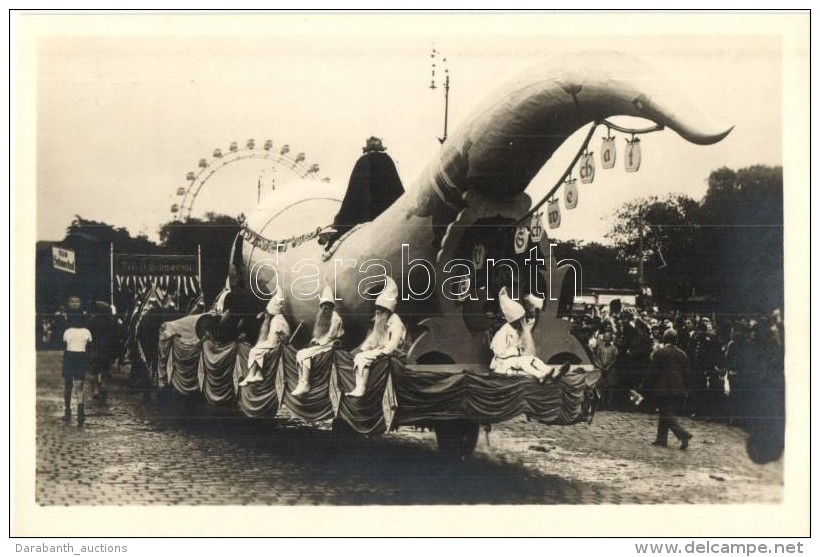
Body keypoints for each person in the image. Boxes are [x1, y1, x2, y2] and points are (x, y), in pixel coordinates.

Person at [326, 136, 405, 248]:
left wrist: (342, 219)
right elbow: (396, 186)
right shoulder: (386, 159)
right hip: (388, 211)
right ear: (381, 146)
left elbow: (354, 192)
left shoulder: (363, 161)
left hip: (363, 215)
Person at [489, 289, 569, 382]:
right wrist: (516, 351)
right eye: (520, 319)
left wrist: (520, 350)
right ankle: (540, 375)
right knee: (523, 362)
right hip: (501, 363)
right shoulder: (502, 332)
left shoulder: (516, 330)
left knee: (533, 359)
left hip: (513, 359)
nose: (522, 321)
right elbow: (499, 352)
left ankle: (552, 372)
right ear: (514, 319)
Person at [346, 277, 407, 398]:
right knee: (359, 355)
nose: (377, 313)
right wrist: (363, 349)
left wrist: (378, 353)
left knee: (362, 357)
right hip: (381, 350)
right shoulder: (380, 321)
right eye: (377, 309)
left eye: (380, 310)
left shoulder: (396, 323)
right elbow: (373, 339)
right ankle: (358, 387)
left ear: (387, 311)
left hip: (394, 353)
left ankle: (361, 388)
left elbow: (392, 345)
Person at [291, 284, 345, 397]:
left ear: (331, 306)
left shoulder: (335, 317)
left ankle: (305, 383)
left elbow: (331, 335)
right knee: (300, 353)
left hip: (331, 343)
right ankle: (301, 381)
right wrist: (315, 340)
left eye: (327, 306)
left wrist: (319, 343)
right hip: (324, 343)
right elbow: (321, 334)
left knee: (306, 354)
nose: (324, 309)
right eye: (323, 306)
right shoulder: (322, 317)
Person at [643, 329, 693, 450]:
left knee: (666, 413)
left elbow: (652, 372)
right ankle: (661, 439)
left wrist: (645, 386)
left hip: (663, 388)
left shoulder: (660, 353)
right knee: (665, 412)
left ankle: (683, 435)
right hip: (678, 389)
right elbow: (687, 374)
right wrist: (687, 389)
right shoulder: (683, 354)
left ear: (665, 339)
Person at [238, 288, 291, 387]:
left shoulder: (277, 321)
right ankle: (257, 373)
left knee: (255, 350)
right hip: (272, 342)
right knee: (258, 348)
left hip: (273, 344)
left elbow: (276, 339)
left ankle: (251, 374)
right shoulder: (276, 318)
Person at [62, 312, 92, 427]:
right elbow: (89, 346)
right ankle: (80, 412)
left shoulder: (68, 332)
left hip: (69, 358)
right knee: (80, 386)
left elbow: (64, 345)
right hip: (81, 358)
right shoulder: (86, 332)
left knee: (68, 385)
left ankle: (68, 410)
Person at [594, 330, 619, 407]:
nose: (606, 338)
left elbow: (615, 359)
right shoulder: (600, 347)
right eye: (605, 337)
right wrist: (601, 366)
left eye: (608, 337)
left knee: (610, 386)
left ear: (611, 338)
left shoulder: (613, 348)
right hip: (601, 369)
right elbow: (597, 358)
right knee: (601, 386)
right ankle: (602, 403)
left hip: (610, 370)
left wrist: (608, 367)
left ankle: (610, 403)